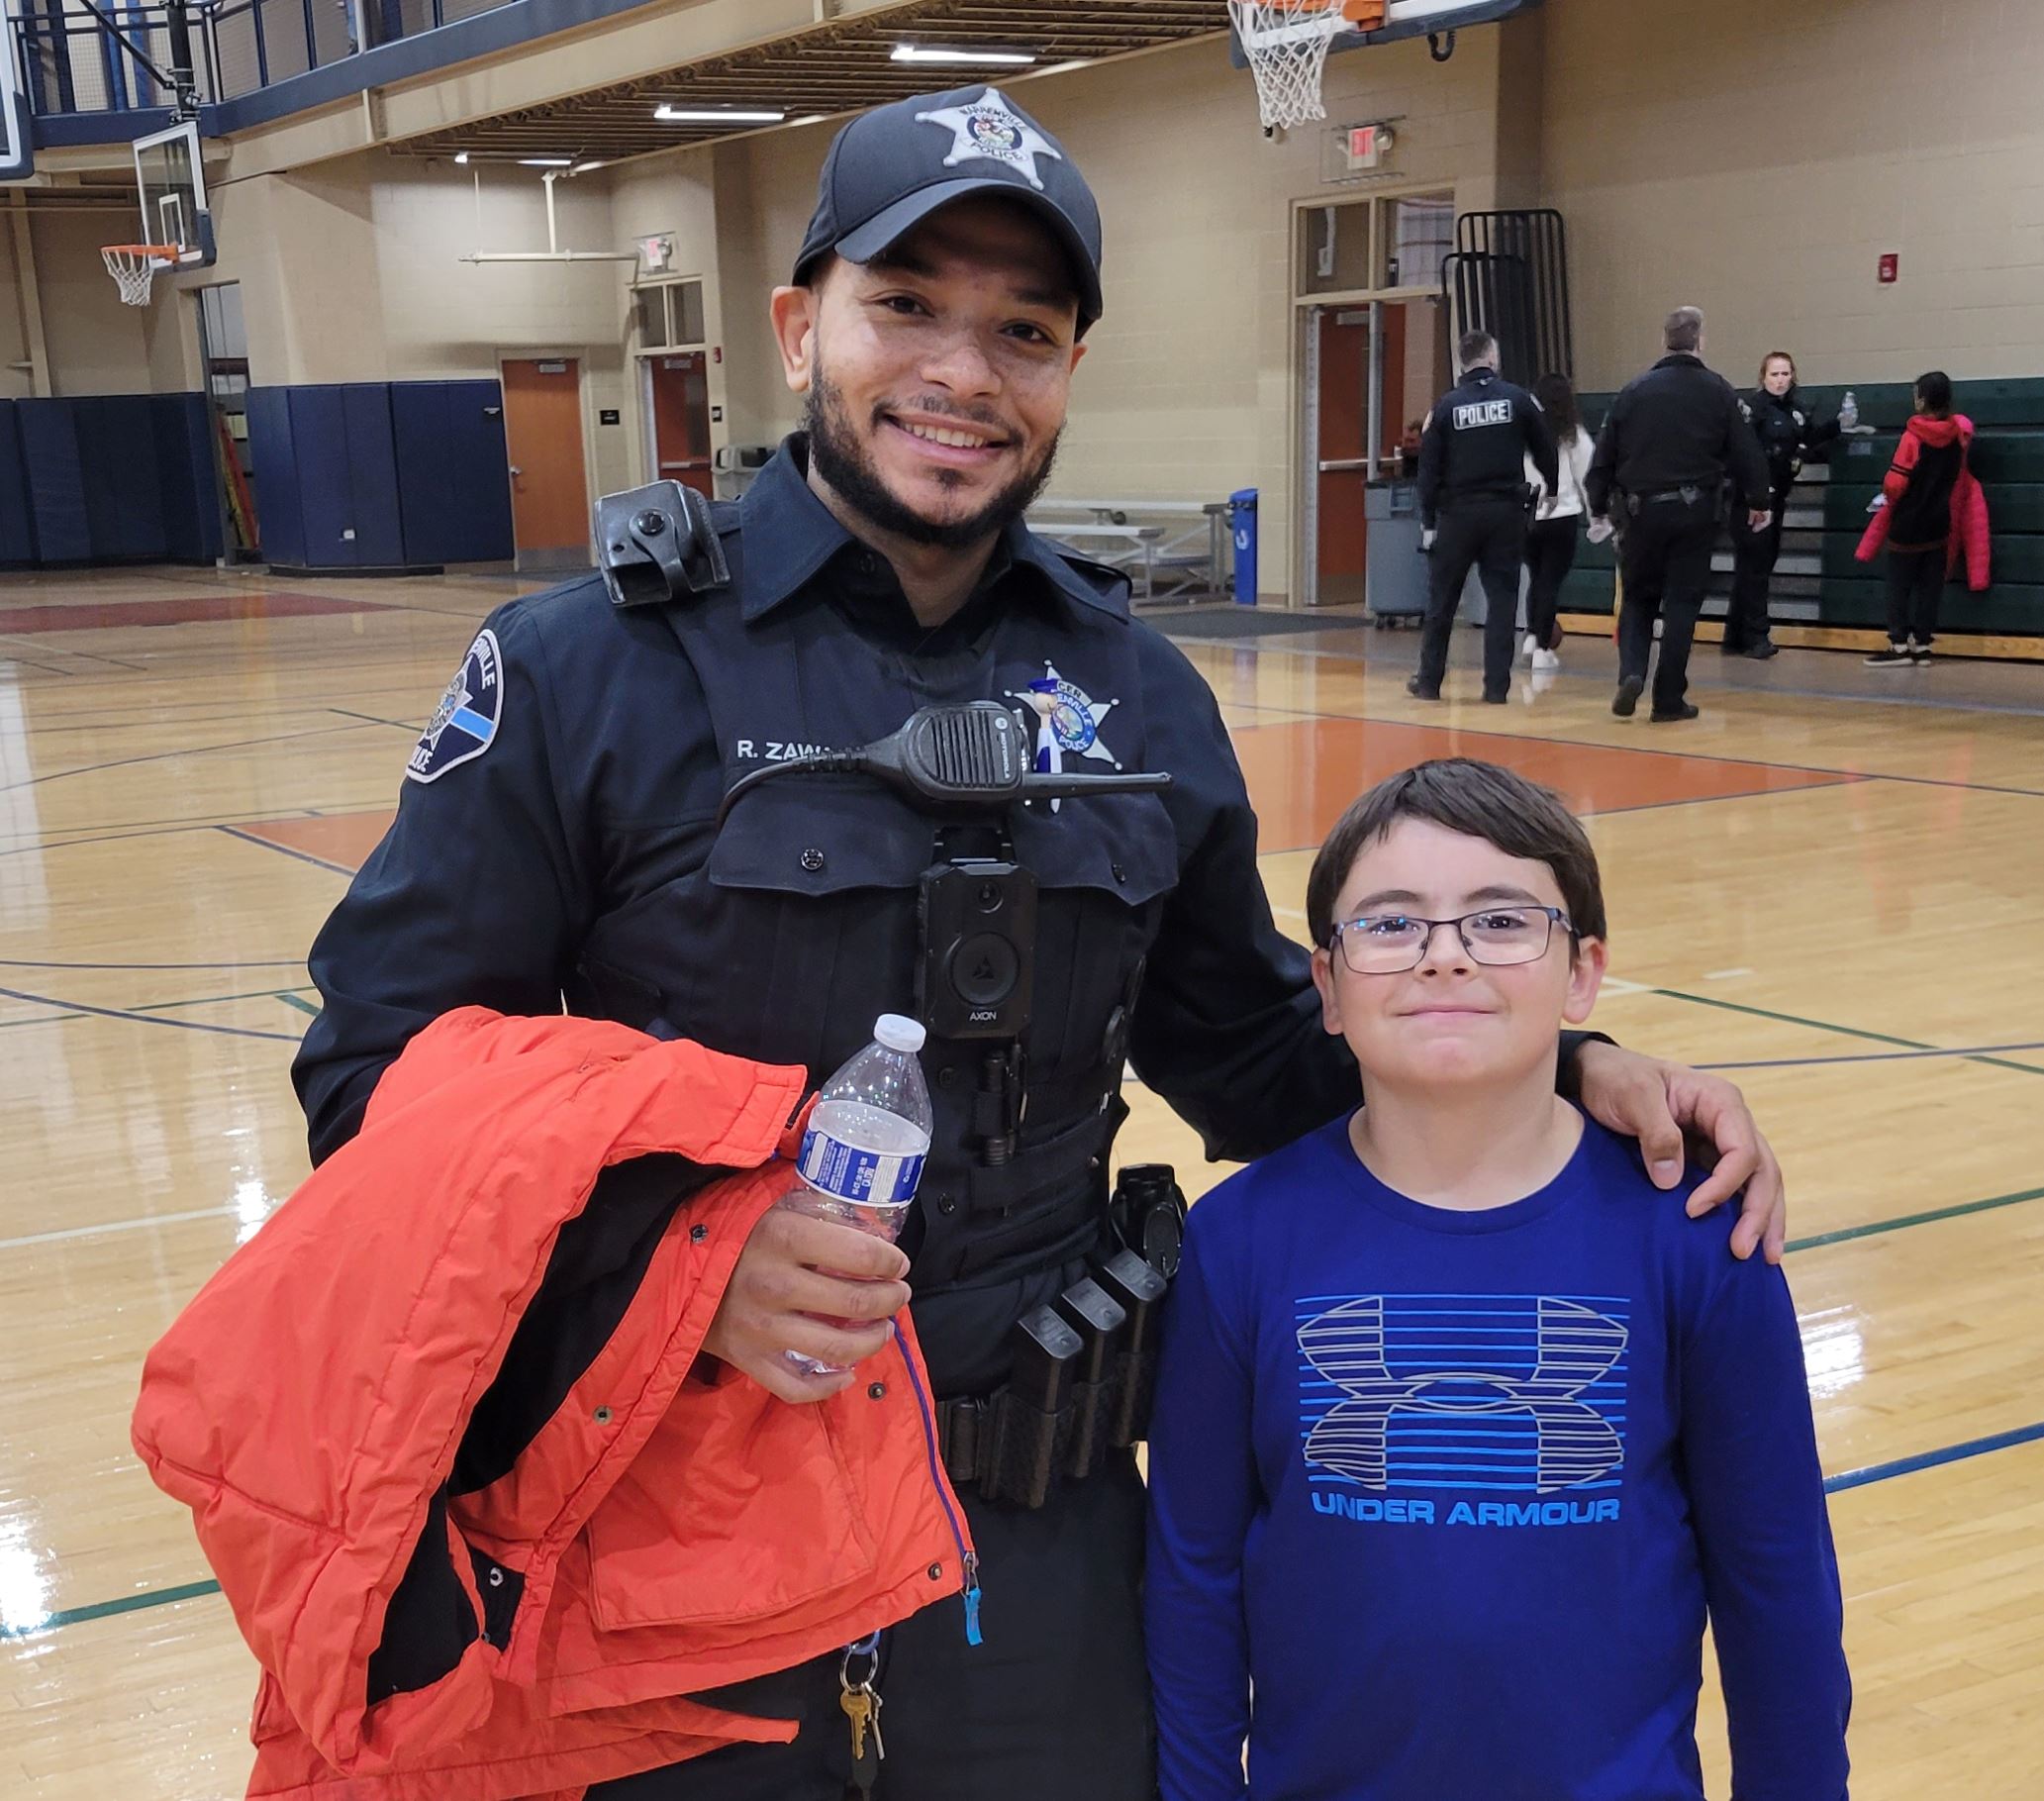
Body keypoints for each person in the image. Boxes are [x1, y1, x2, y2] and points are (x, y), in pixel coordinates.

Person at [291, 86, 1787, 1801]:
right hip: (672, 1525)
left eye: (1025, 328)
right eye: (906, 305)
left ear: (1070, 367)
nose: (964, 370)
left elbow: (1257, 1054)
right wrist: (684, 1250)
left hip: (1039, 1541)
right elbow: (376, 1076)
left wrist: (1570, 1074)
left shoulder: (1139, 693)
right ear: (800, 328)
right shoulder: (584, 669)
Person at [1146, 758, 1851, 1801]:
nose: (1443, 958)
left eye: (1501, 920)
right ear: (1327, 987)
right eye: (1389, 925)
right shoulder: (1239, 1239)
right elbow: (1194, 1582)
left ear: (1582, 975)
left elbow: (1777, 1589)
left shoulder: (1697, 1234)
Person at [1586, 306, 1772, 723]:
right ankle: (1668, 698)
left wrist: (1598, 506)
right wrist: (1759, 501)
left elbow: (1603, 458)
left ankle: (1632, 672)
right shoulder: (1718, 390)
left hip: (1641, 513)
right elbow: (1747, 453)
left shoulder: (1633, 392)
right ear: (1699, 339)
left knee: (1637, 598)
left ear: (1665, 340)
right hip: (1695, 512)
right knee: (1682, 605)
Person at [1410, 331, 1558, 705]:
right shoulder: (1517, 399)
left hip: (1457, 515)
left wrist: (1428, 521)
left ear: (1463, 361)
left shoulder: (1444, 407)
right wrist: (1552, 488)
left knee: (1442, 602)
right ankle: (1496, 688)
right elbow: (1546, 447)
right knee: (1503, 601)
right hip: (1504, 513)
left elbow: (1427, 470)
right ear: (1491, 358)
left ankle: (1429, 683)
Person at [1859, 369, 1988, 666]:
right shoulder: (1959, 435)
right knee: (1931, 589)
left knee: (1898, 587)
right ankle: (1923, 644)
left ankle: (1899, 645)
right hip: (1940, 523)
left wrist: (1886, 495)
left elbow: (1896, 483)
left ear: (1921, 399)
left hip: (1908, 524)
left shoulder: (1912, 436)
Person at [1726, 351, 1839, 658]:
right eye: (1774, 374)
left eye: (1785, 374)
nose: (1780, 380)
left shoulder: (1796, 410)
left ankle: (1735, 635)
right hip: (1752, 501)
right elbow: (1744, 454)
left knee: (1759, 565)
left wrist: (1836, 426)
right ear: (1763, 377)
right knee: (1755, 568)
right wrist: (1754, 497)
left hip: (1778, 498)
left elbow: (1806, 439)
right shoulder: (1754, 410)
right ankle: (1757, 636)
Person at [1520, 370, 1595, 672]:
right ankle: (1541, 649)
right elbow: (1588, 479)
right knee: (1549, 581)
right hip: (1561, 515)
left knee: (1536, 578)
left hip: (1528, 515)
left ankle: (1531, 636)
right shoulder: (1574, 435)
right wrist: (1597, 516)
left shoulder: (1523, 433)